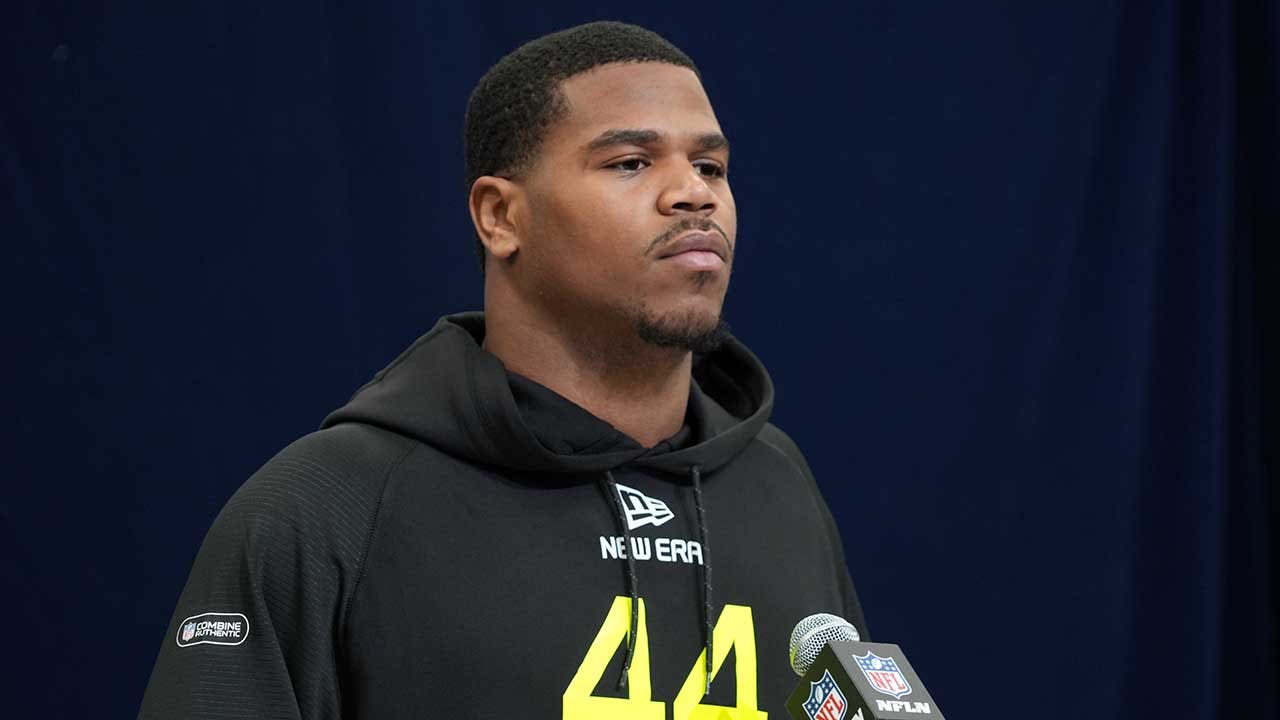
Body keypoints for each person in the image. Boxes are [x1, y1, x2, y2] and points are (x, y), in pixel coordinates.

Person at [138, 20, 867, 719]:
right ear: (500, 217)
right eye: (630, 162)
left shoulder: (780, 488)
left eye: (710, 166)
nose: (694, 193)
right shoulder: (328, 506)